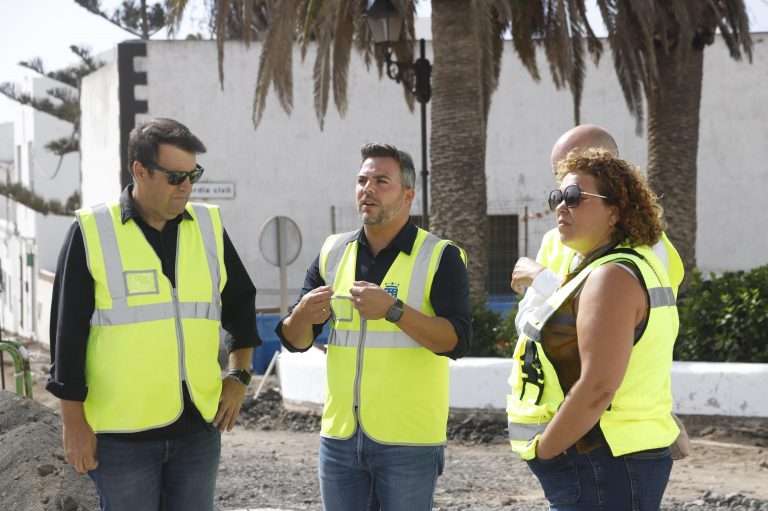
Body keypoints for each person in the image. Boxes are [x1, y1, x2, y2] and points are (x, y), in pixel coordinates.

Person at [47, 118, 259, 511]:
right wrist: (73, 423)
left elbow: (242, 303)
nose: (187, 187)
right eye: (176, 176)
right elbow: (66, 335)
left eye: (193, 175)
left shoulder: (208, 227)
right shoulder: (93, 232)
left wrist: (240, 375)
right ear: (139, 171)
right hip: (122, 437)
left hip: (197, 431)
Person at [277, 143, 471, 511]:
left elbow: (456, 341)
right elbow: (295, 341)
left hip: (409, 441)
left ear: (408, 194)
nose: (368, 189)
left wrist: (395, 311)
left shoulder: (440, 257)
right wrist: (301, 315)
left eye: (382, 181)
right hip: (340, 438)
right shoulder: (333, 252)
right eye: (362, 180)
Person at [507, 149, 680, 510]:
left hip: (603, 458)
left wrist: (548, 449)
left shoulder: (611, 276)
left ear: (615, 211)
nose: (561, 206)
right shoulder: (607, 268)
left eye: (574, 197)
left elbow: (598, 385)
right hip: (608, 456)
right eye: (557, 197)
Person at [511, 125, 684, 334]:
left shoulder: (649, 246)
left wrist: (542, 279)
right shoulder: (553, 240)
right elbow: (526, 324)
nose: (566, 177)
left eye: (579, 164)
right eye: (559, 172)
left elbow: (613, 313)